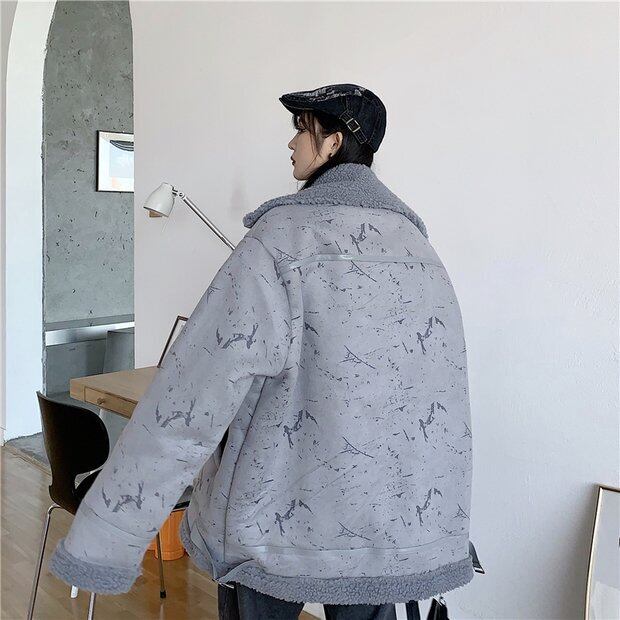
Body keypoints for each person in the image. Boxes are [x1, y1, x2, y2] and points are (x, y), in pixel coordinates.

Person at [48, 83, 475, 620]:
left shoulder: (281, 241)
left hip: (274, 524)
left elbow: (187, 402)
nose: (291, 143)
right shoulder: (418, 251)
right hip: (383, 532)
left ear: (333, 143)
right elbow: (440, 406)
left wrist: (103, 541)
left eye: (303, 130)